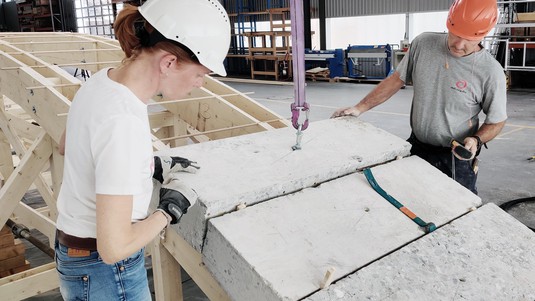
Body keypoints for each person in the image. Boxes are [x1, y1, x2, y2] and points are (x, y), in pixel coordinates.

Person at [54, 0, 230, 300]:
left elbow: (67, 146)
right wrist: (169, 210)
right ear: (169, 63)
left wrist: (144, 166)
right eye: (201, 74)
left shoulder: (101, 82)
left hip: (75, 254)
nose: (201, 84)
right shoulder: (123, 122)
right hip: (105, 271)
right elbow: (114, 248)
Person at [332, 0, 507, 194]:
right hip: (418, 145)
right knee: (411, 198)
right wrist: (360, 107)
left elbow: (497, 121)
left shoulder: (491, 72)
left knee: (457, 207)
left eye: (469, 39)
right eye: (455, 35)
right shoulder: (424, 44)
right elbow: (396, 80)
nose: (458, 44)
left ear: (484, 34)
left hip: (456, 157)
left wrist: (476, 139)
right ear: (448, 24)